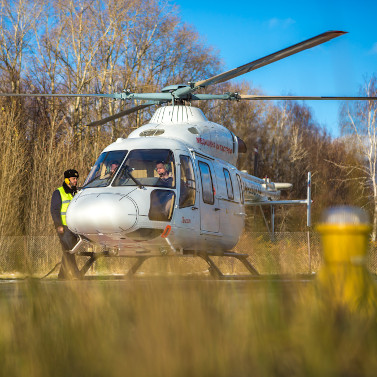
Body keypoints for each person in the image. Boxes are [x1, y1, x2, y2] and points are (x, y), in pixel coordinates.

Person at [50, 169, 81, 279]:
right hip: (64, 228)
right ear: (67, 180)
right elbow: (54, 210)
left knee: (68, 251)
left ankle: (62, 275)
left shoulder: (76, 192)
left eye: (76, 179)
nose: (75, 181)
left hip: (75, 228)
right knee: (69, 251)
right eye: (73, 179)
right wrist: (58, 225)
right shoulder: (58, 193)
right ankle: (76, 274)